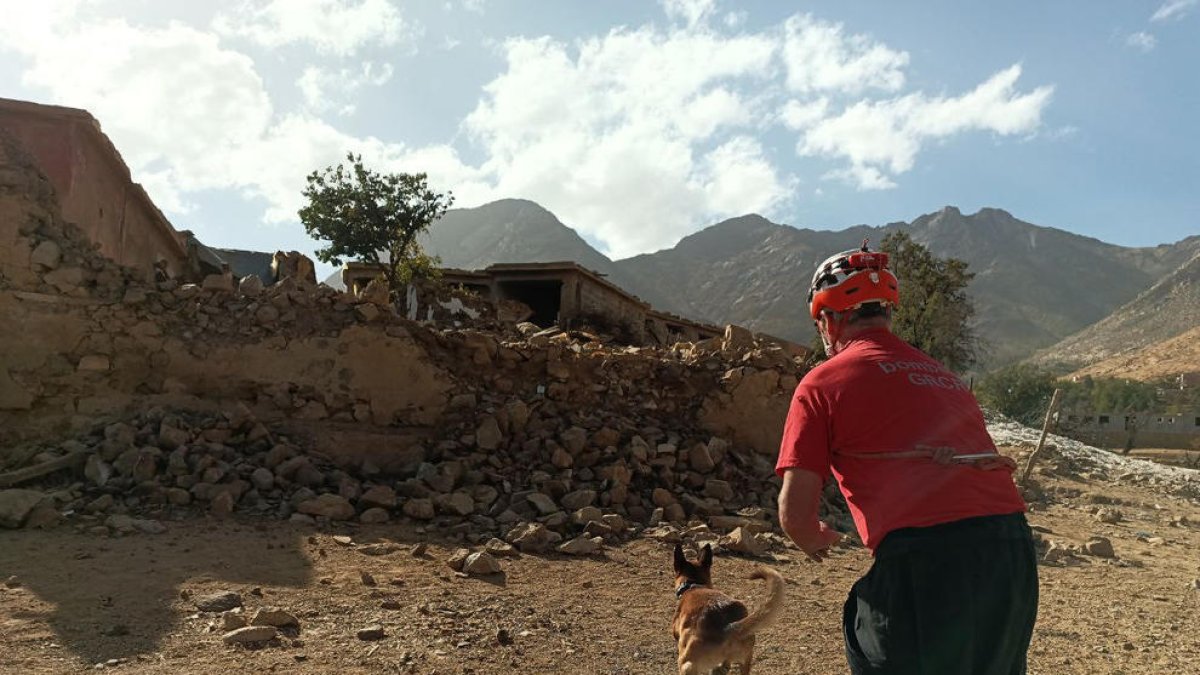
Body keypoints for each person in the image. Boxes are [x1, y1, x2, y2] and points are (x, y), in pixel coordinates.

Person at [775, 242, 1038, 674]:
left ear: (828, 319)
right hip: (1011, 550)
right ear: (886, 313)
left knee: (867, 632)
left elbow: (795, 515)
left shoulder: (821, 384)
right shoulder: (944, 376)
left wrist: (811, 538)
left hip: (926, 556)